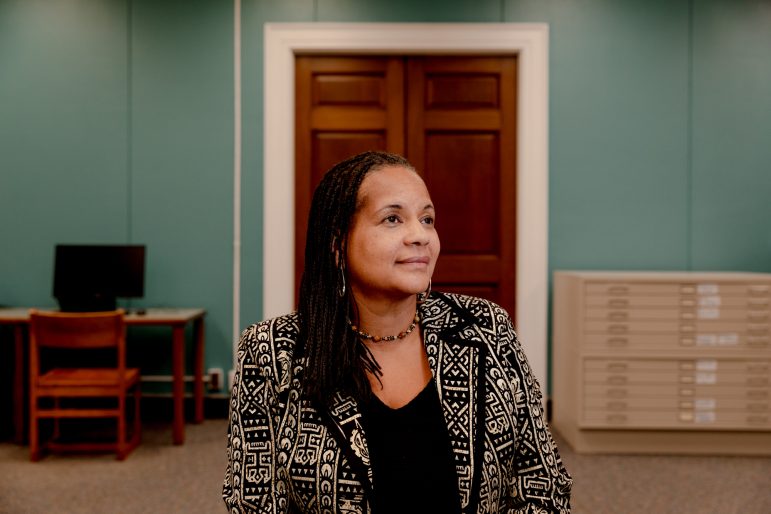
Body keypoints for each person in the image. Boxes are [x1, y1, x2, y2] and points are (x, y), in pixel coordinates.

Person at [223, 151, 572, 513]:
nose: (420, 236)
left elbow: (543, 483)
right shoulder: (273, 350)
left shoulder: (486, 327)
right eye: (393, 218)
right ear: (337, 243)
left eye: (427, 219)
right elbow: (253, 501)